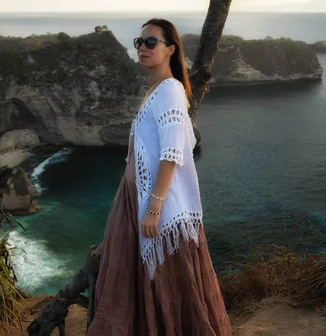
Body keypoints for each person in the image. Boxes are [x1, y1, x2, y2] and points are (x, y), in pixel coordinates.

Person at [88, 18, 231, 335]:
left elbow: (171, 153)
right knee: (137, 286)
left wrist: (154, 207)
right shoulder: (155, 90)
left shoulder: (169, 90)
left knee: (166, 285)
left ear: (170, 49)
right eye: (139, 42)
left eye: (150, 42)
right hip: (131, 199)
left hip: (151, 204)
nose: (142, 48)